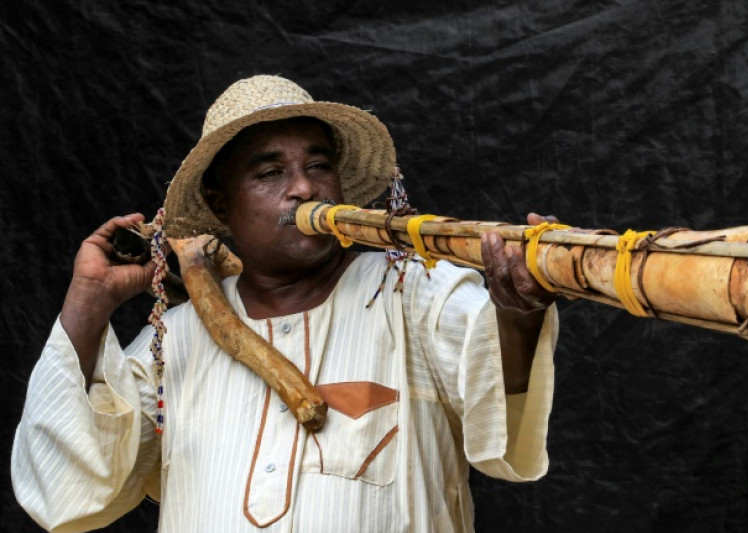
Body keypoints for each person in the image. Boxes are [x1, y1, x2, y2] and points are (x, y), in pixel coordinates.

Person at [12, 75, 559, 532]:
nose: (304, 188)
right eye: (271, 173)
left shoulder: (413, 291)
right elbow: (67, 491)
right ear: (220, 204)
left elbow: (502, 415)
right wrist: (89, 302)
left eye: (318, 166)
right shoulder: (174, 341)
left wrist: (519, 311)